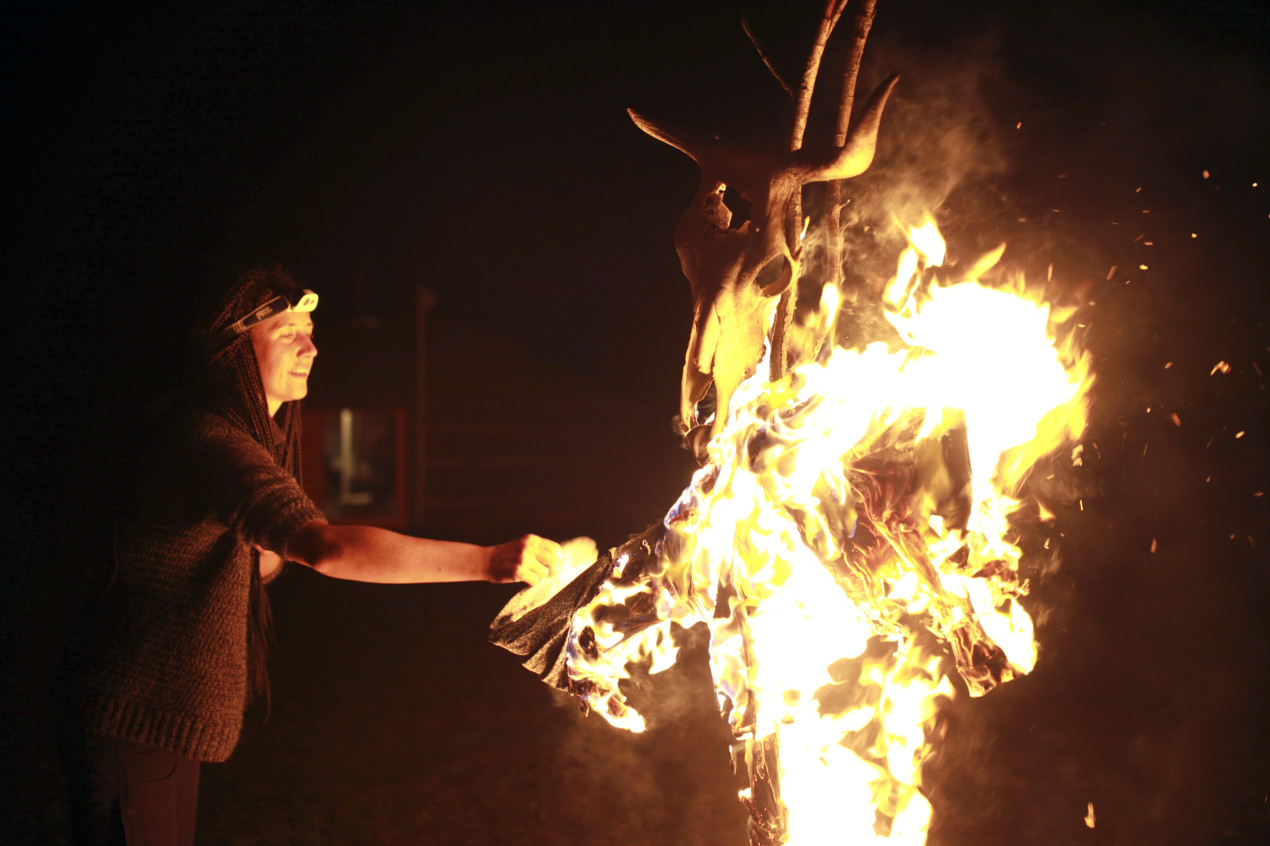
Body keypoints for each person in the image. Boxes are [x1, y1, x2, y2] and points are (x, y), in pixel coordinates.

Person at [54, 265, 572, 845]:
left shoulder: (240, 441)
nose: (310, 346)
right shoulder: (208, 443)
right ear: (232, 354)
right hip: (132, 713)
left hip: (160, 721)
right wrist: (487, 561)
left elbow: (261, 561)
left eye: (309, 329)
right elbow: (324, 547)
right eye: (286, 332)